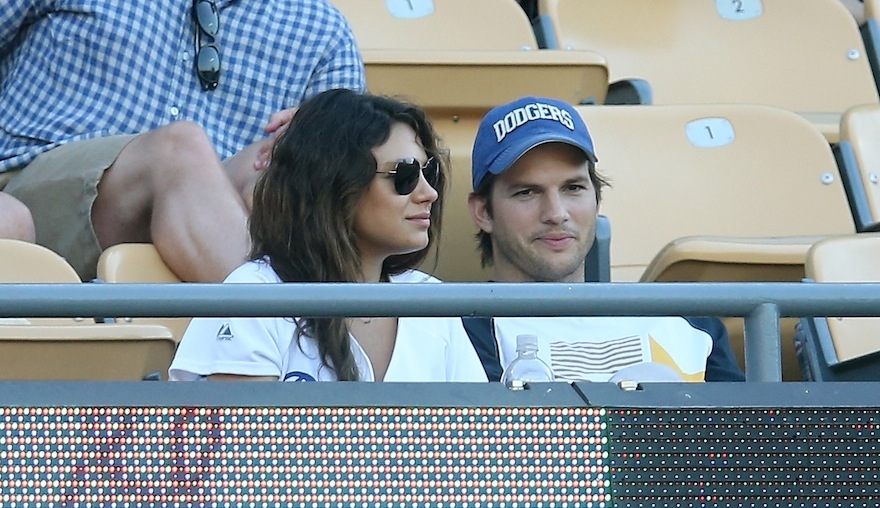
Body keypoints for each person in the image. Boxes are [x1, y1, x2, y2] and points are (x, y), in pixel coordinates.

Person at [0, 1, 365, 282]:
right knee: (179, 149)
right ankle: (287, 338)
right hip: (35, 191)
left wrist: (317, 142)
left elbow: (353, 187)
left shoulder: (322, 31)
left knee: (284, 164)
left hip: (212, 236)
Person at [169, 89, 488, 383]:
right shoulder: (253, 295)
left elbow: (478, 438)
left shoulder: (432, 301)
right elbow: (242, 442)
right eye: (404, 175)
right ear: (335, 185)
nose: (428, 193)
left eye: (427, 172)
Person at [463, 96, 745, 383]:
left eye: (573, 188)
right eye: (527, 192)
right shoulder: (454, 333)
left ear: (597, 200)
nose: (557, 213)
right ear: (483, 212)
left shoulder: (691, 326)